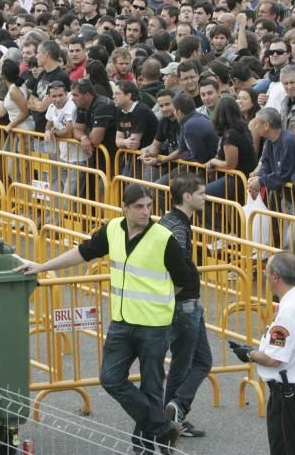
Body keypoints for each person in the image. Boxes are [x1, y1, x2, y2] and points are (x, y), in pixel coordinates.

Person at [15, 183, 193, 453]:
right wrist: (42, 267)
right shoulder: (113, 229)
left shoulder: (163, 238)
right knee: (110, 378)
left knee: (152, 388)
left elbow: (183, 280)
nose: (146, 212)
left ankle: (143, 447)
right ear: (125, 208)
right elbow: (82, 252)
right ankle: (163, 428)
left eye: (148, 206)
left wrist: (160, 301)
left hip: (154, 326)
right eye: (139, 207)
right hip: (122, 322)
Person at [229, 252, 295, 455]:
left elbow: (273, 358)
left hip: (288, 395)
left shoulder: (288, 312)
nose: (265, 278)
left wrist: (248, 353)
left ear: (275, 277)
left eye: (266, 274)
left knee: (285, 449)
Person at [161, 174, 212, 440]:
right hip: (185, 305)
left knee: (196, 360)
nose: (205, 197)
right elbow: (175, 265)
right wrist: (176, 294)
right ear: (187, 196)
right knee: (191, 362)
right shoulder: (178, 227)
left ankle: (174, 415)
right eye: (201, 194)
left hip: (184, 304)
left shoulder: (169, 220)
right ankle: (176, 410)